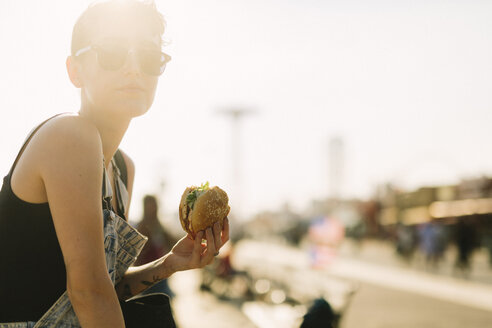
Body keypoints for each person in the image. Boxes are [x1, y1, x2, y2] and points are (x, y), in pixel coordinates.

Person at [0, 0, 229, 326]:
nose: (134, 67)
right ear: (74, 71)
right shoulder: (70, 135)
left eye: (149, 57)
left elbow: (105, 290)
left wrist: (167, 264)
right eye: (112, 52)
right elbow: (88, 293)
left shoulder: (121, 169)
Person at [134, 195, 177, 298]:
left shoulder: (160, 225)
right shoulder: (142, 226)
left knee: (165, 300)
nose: (151, 208)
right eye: (149, 205)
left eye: (153, 204)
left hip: (161, 271)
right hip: (148, 272)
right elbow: (137, 253)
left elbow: (172, 241)